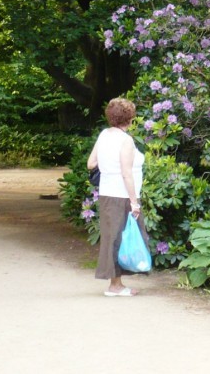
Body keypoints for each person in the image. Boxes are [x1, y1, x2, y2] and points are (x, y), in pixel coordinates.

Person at [87, 97, 148, 297]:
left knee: (113, 237)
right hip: (121, 196)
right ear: (129, 118)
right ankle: (115, 286)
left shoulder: (104, 135)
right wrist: (134, 202)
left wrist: (107, 167)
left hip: (106, 194)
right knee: (119, 238)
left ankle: (117, 283)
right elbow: (126, 173)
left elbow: (91, 163)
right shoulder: (125, 140)